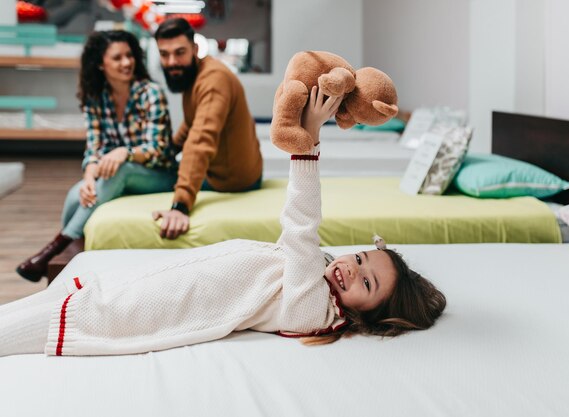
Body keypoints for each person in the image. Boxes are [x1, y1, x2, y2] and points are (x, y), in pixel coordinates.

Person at [0, 89, 446, 357]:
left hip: (151, 309)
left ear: (363, 319)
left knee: (37, 325)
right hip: (161, 285)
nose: (353, 269)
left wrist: (308, 145)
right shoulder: (322, 278)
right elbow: (299, 253)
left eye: (366, 285)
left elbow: (300, 227)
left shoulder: (314, 313)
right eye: (363, 258)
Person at [15, 30, 179, 283]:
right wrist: (89, 175)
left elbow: (157, 148)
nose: (126, 62)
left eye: (129, 55)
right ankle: (65, 262)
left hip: (159, 175)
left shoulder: (151, 93)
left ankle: (55, 248)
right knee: (75, 195)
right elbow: (94, 148)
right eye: (117, 58)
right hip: (114, 176)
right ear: (101, 64)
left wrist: (126, 152)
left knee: (121, 169)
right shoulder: (95, 98)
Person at [152, 18, 263, 240]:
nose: (172, 62)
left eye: (180, 52)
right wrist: (170, 149)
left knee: (143, 176)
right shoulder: (195, 75)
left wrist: (180, 205)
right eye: (164, 54)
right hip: (225, 174)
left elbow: (200, 139)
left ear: (195, 49)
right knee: (155, 167)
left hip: (232, 182)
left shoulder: (213, 80)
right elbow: (193, 122)